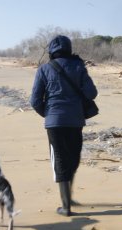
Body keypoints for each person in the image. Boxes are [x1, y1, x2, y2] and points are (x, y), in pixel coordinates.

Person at [30, 35, 98, 216]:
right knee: (73, 157)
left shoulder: (44, 69)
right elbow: (92, 93)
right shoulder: (78, 67)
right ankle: (68, 198)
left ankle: (66, 206)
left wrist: (49, 114)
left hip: (54, 122)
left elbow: (35, 101)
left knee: (60, 159)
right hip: (75, 120)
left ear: (51, 50)